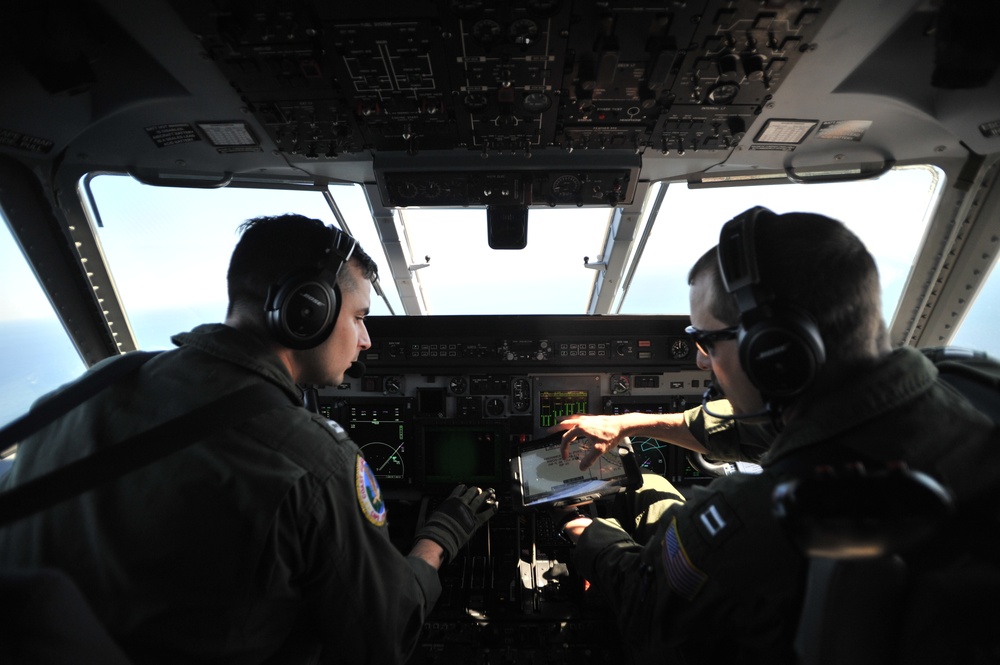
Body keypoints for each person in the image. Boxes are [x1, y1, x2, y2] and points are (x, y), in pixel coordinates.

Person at [0, 214, 497, 664]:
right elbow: (385, 636)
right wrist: (437, 539)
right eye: (360, 317)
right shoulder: (315, 462)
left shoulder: (93, 386)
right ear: (309, 309)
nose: (366, 340)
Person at [551, 207, 1000, 663]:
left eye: (706, 341)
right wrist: (629, 423)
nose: (702, 362)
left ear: (771, 351)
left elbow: (647, 614)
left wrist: (593, 538)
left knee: (648, 489)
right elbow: (791, 425)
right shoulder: (971, 379)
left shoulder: (751, 520)